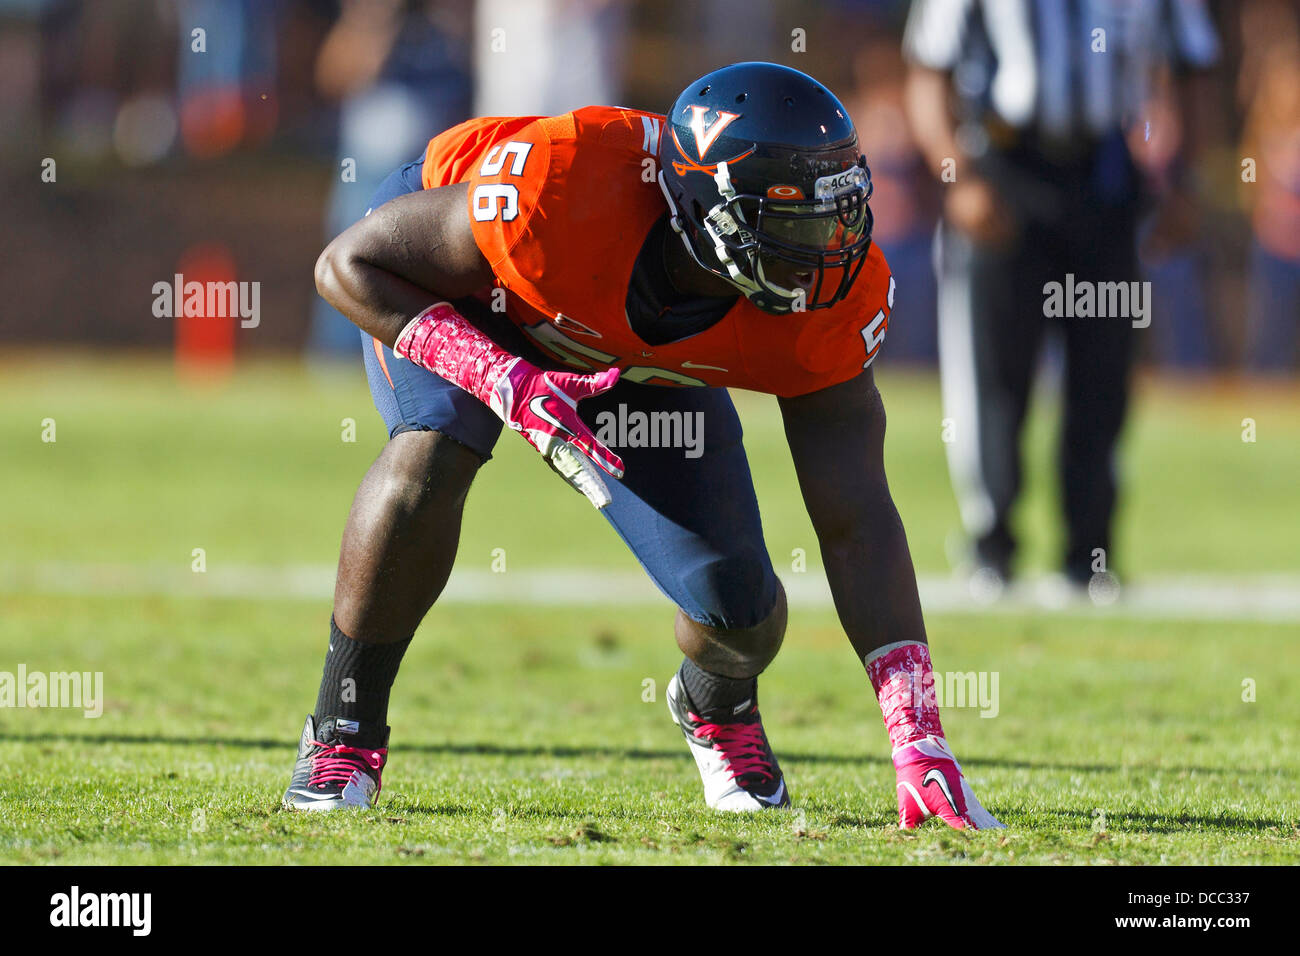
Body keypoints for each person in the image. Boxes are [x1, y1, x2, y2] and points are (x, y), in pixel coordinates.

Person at [283, 61, 1002, 830]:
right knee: (434, 451)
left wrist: (919, 742)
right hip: (465, 286)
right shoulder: (560, 191)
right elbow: (349, 264)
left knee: (740, 610)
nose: (828, 246)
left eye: (838, 212)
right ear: (705, 208)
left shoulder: (824, 303)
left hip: (625, 346)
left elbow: (858, 519)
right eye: (792, 219)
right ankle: (343, 732)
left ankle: (715, 707)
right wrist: (503, 379)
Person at [903, 0, 1219, 593]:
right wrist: (959, 176)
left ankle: (1090, 555)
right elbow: (927, 69)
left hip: (1105, 175)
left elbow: (1194, 63)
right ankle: (991, 546)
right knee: (995, 370)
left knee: (1103, 374)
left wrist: (1185, 181)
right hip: (1004, 166)